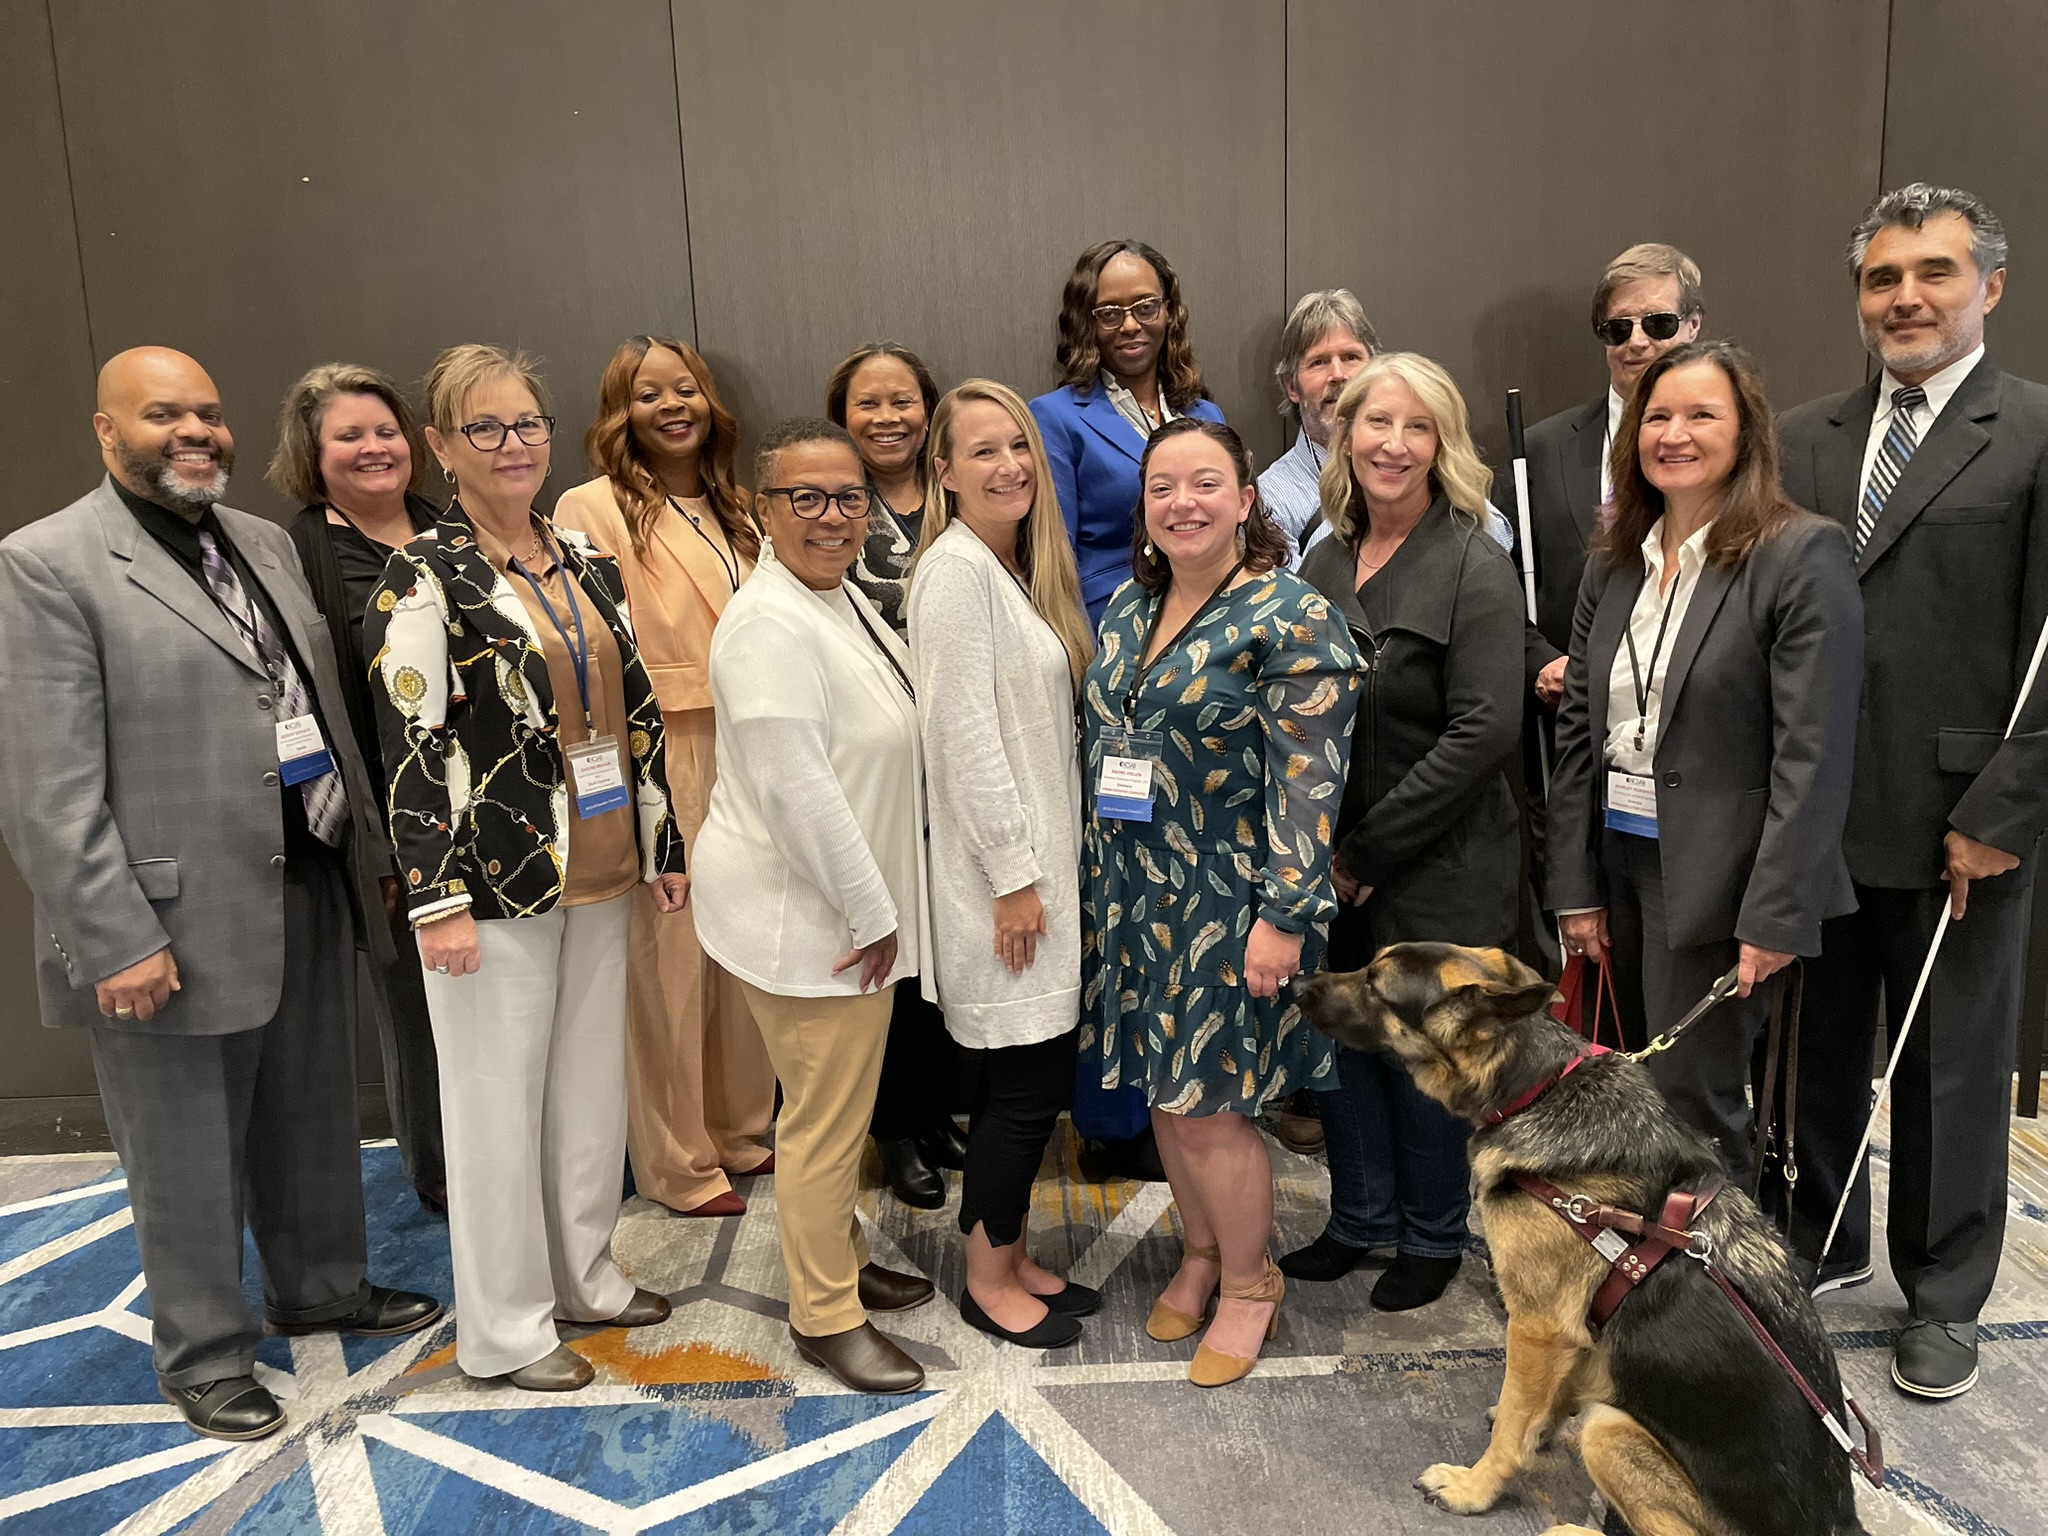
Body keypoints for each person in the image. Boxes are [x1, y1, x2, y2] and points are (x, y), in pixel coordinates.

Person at [0, 347, 440, 1443]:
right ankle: (202, 1350)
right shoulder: (48, 563)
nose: (192, 430)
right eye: (161, 415)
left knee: (309, 1111)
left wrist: (368, 860)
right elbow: (45, 788)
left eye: (205, 410)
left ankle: (322, 1286)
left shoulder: (254, 543)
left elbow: (317, 716)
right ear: (107, 431)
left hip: (302, 875)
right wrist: (113, 938)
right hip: (162, 919)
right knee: (185, 1146)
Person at [366, 344, 687, 1392]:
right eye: (487, 429)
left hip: (600, 869)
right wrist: (436, 900)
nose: (514, 447)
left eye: (528, 425)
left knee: (588, 1094)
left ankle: (583, 1276)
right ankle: (505, 1330)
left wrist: (663, 843)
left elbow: (636, 715)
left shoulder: (583, 559)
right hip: (489, 891)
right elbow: (410, 752)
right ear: (442, 448)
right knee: (495, 1107)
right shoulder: (424, 573)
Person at [1774, 184, 2048, 1400]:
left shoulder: (2035, 434)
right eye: (1882, 279)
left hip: (1961, 822)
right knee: (1816, 1049)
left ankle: (1942, 1292)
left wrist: (2001, 814)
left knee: (1947, 1063)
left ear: (1988, 286)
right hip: (1815, 812)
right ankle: (1823, 1239)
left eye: (1932, 273)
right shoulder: (1803, 437)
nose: (1905, 298)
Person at [1083, 416, 1360, 1386]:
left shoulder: (1290, 618)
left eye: (1205, 484)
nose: (1181, 504)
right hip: (1132, 896)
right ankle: (1199, 1254)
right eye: (1162, 487)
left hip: (1231, 902)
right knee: (1165, 1093)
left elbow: (1308, 783)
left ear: (1246, 501)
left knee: (1213, 1110)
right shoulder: (1125, 608)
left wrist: (1283, 920)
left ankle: (1250, 1280)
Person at [1549, 342, 1863, 1188]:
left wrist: (1775, 913)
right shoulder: (1615, 561)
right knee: (1623, 1092)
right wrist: (1574, 885)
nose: (1674, 434)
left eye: (1701, 415)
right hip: (1621, 861)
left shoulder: (1801, 554)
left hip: (1726, 884)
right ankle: (1645, 1274)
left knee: (1697, 1104)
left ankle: (1719, 1300)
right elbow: (1578, 728)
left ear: (1747, 432)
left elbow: (1814, 751)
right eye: (1657, 416)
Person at [691, 417, 938, 1394]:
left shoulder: (832, 600)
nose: (833, 516)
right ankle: (823, 1315)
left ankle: (829, 1254)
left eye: (847, 497)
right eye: (807, 497)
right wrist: (872, 912)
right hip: (811, 917)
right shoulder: (765, 625)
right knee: (824, 1124)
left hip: (838, 906)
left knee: (829, 1108)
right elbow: (800, 791)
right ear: (762, 509)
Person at [1286, 355, 1525, 1309]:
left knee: (1427, 1054)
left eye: (1416, 426)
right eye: (1373, 423)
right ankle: (1358, 1220)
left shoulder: (1475, 560)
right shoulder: (1324, 553)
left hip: (1440, 863)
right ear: (1343, 437)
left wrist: (1367, 854)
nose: (1392, 443)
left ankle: (1431, 1236)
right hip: (1337, 861)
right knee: (1349, 1045)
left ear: (1443, 444)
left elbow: (1485, 731)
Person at [553, 336, 776, 1219]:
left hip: (753, 743)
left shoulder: (738, 506)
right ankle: (679, 1159)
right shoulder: (590, 506)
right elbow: (585, 644)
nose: (671, 405)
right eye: (649, 394)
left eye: (685, 389)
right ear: (621, 412)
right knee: (668, 960)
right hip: (663, 744)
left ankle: (740, 1129)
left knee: (745, 946)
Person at [908, 380, 1099, 1348]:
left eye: (1016, 445)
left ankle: (1011, 1251)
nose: (1007, 466)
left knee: (1026, 1085)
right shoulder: (951, 573)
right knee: (1018, 1093)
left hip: (1034, 880)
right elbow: (961, 737)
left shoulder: (1004, 568)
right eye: (980, 451)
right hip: (1003, 888)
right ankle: (986, 1276)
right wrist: (1013, 876)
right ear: (941, 472)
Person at [1032, 240, 1225, 1181]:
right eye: (1109, 311)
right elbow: (1058, 559)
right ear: (1085, 320)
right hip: (1114, 664)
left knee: (1181, 886)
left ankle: (1183, 1097)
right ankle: (1111, 1122)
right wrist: (1099, 666)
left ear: (1168, 309)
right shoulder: (1055, 418)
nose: (1130, 325)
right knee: (1115, 889)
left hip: (1203, 667)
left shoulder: (1204, 413)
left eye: (1144, 305)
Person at [273, 363, 447, 1211]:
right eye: (350, 435)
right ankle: (445, 1173)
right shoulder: (295, 554)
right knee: (413, 1001)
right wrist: (365, 837)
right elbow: (295, 705)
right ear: (314, 453)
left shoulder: (451, 530)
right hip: (385, 816)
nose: (375, 448)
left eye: (386, 431)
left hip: (485, 806)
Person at [1521, 244, 1706, 713]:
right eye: (1619, 328)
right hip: (1569, 720)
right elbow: (1501, 584)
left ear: (1693, 326)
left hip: (1693, 714)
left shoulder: (1733, 449)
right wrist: (1541, 660)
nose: (1637, 342)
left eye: (1658, 323)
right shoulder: (1541, 449)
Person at [1266, 291, 1516, 568]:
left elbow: (1497, 535)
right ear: (1292, 387)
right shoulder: (1271, 499)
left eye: (1351, 357)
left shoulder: (1422, 465)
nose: (1338, 375)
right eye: (1318, 362)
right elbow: (1293, 601)